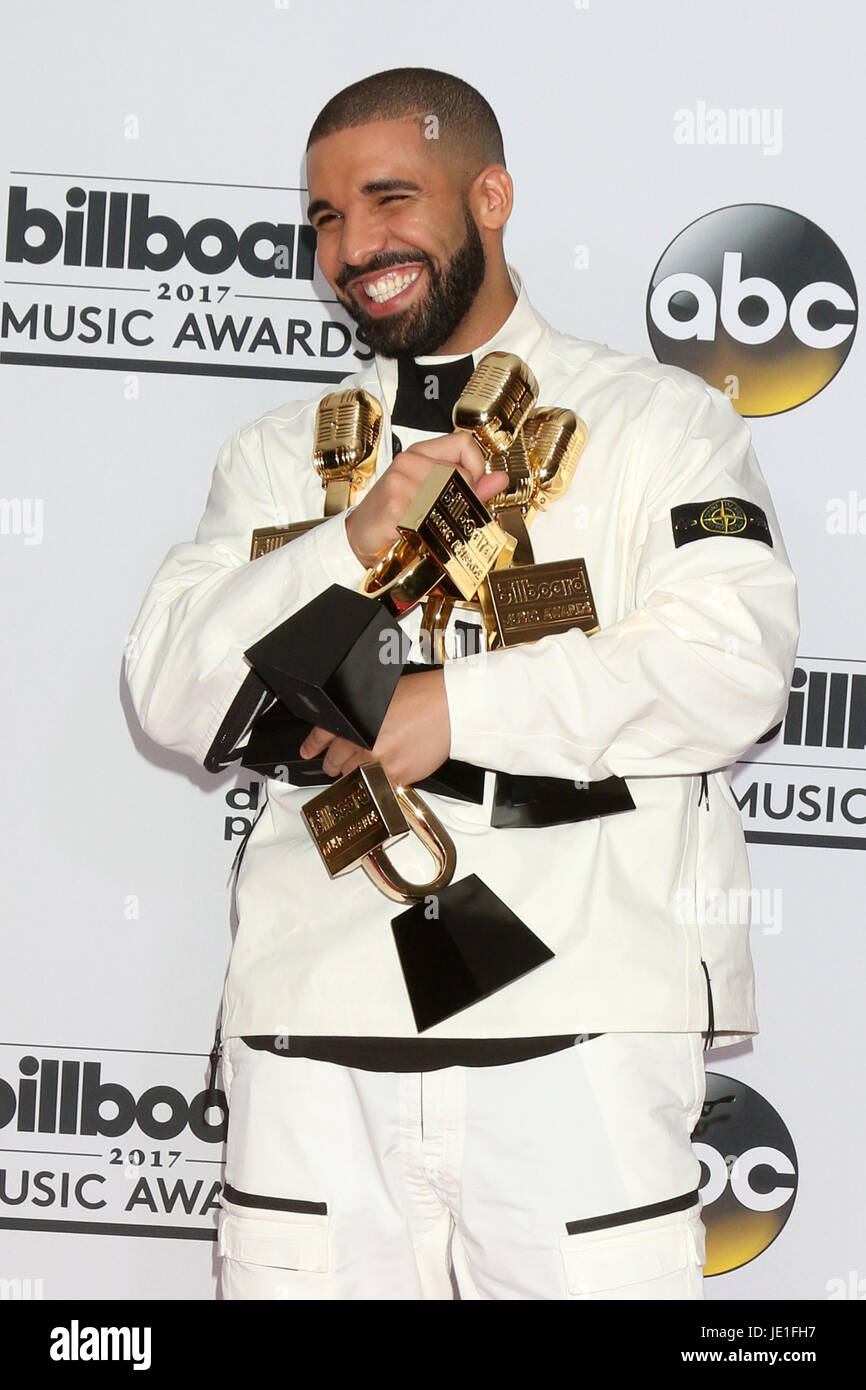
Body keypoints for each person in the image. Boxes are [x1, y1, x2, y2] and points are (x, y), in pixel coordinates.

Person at [124, 67, 799, 1301]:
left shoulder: (658, 425)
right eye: (325, 216)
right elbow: (169, 693)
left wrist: (453, 712)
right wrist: (350, 539)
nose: (353, 247)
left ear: (488, 196)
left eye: (390, 200)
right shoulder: (280, 457)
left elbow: (730, 664)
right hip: (311, 1044)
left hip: (580, 1037)